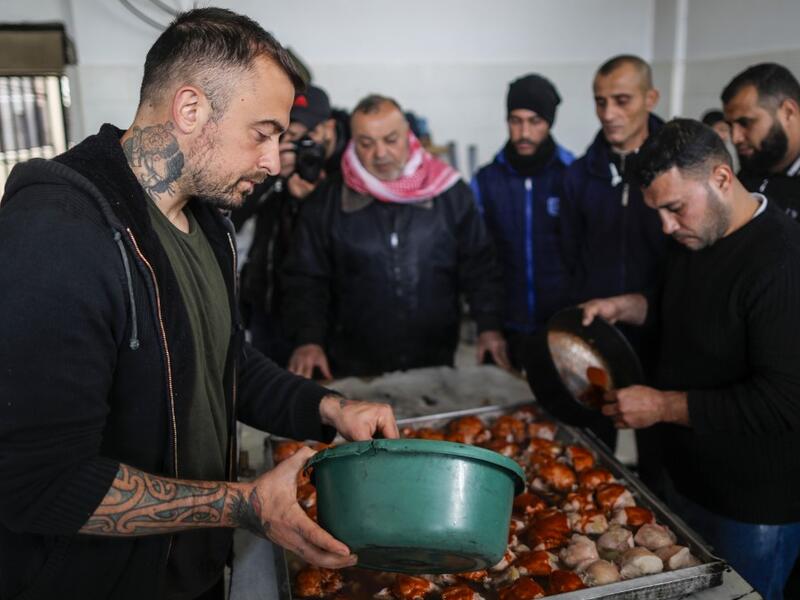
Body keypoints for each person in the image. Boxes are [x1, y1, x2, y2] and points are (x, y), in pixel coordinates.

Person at [0, 8, 397, 600]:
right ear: (190, 110)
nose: (271, 162)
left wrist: (329, 408)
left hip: (196, 571)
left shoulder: (205, 219)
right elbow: (38, 482)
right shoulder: (56, 235)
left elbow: (223, 359)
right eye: (262, 133)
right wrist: (242, 505)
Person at [582, 118, 800, 600]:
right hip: (685, 479)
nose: (666, 225)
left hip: (750, 505)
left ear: (722, 178)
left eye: (675, 208)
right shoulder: (695, 234)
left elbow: (783, 401)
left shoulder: (782, 261)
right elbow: (689, 307)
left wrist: (660, 407)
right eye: (657, 212)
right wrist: (631, 307)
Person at [283, 94, 508, 379]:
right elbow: (305, 277)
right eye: (366, 143)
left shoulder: (449, 192)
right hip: (354, 367)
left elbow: (480, 265)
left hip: (434, 362)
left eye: (391, 140)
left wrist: (488, 326)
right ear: (353, 141)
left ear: (409, 136)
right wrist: (308, 339)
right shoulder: (327, 201)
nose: (380, 154)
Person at [558, 54, 669, 451]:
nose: (608, 113)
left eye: (622, 100)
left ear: (650, 98)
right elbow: (568, 256)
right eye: (600, 101)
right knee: (590, 449)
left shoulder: (676, 170)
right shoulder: (577, 176)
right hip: (597, 337)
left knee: (661, 454)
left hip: (665, 338)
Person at [234, 85, 349, 366]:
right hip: (267, 309)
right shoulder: (272, 164)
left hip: (329, 320)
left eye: (302, 136)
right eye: (287, 134)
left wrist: (316, 198)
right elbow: (232, 218)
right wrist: (272, 177)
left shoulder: (351, 172)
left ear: (328, 129)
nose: (294, 144)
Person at [471, 73, 574, 368]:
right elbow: (478, 260)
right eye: (515, 121)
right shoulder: (486, 181)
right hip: (505, 330)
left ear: (550, 123)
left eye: (535, 121)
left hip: (561, 328)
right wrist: (487, 325)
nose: (524, 132)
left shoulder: (572, 177)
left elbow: (586, 257)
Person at [721, 62, 800, 220]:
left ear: (788, 112)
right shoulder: (750, 171)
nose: (735, 138)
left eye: (746, 123)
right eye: (730, 126)